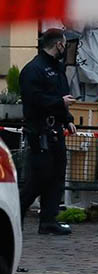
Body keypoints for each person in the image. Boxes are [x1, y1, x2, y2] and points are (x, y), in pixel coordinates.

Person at [19, 28, 77, 235]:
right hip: (39, 131)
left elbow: (62, 94)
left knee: (56, 176)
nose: (66, 48)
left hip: (55, 130)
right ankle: (15, 217)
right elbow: (33, 99)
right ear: (58, 45)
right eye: (64, 44)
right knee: (37, 180)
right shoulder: (33, 69)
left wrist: (67, 119)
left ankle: (48, 220)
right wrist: (58, 102)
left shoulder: (57, 68)